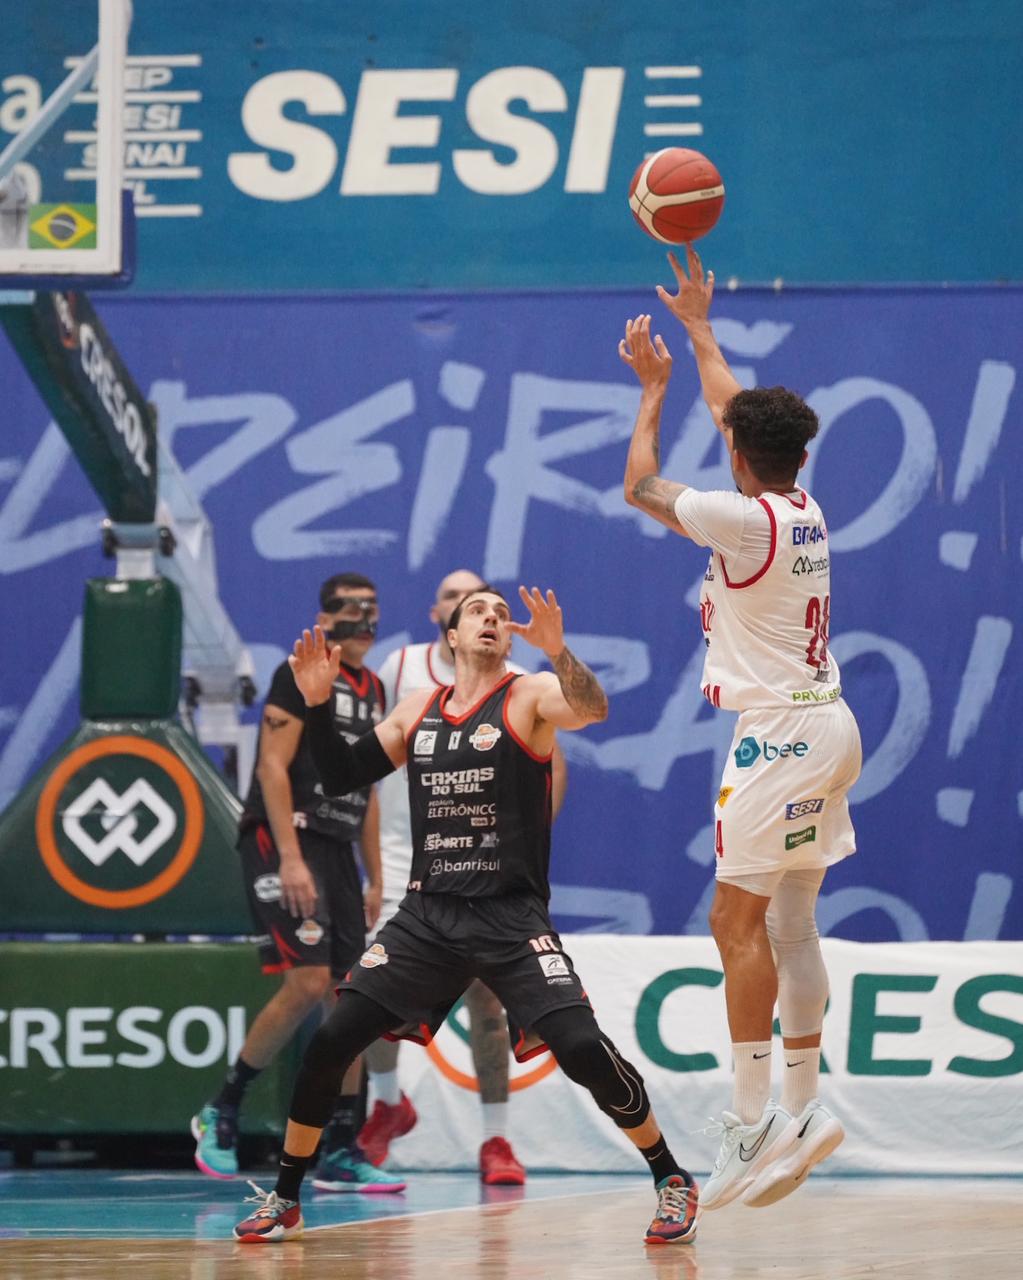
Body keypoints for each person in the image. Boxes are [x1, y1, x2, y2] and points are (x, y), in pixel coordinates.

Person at [233, 585, 698, 1246]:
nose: (491, 617)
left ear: (507, 638)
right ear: (450, 636)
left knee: (580, 1047)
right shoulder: (417, 708)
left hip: (511, 917)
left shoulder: (530, 693)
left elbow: (592, 708)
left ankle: (670, 1176)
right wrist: (315, 705)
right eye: (477, 610)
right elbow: (340, 775)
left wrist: (558, 651)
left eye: (499, 613)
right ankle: (285, 1197)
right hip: (428, 916)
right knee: (333, 1040)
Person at [619, 246, 862, 1211]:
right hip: (827, 723)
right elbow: (735, 414)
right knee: (793, 922)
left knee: (735, 922)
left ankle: (751, 1115)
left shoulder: (739, 519)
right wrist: (699, 329)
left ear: (735, 456)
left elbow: (640, 487)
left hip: (778, 736)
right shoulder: (800, 504)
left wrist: (652, 391)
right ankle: (803, 1108)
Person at [192, 572, 405, 1195]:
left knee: (351, 997)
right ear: (325, 617)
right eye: (350, 608)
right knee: (309, 981)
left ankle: (339, 1148)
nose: (364, 618)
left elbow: (367, 791)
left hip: (338, 848)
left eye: (372, 607)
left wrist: (374, 876)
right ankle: (221, 1110)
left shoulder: (374, 688)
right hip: (284, 837)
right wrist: (289, 858)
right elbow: (271, 766)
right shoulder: (302, 671)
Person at [361, 568, 567, 1184]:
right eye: (455, 599)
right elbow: (369, 770)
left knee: (488, 1001)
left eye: (481, 601)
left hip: (482, 863)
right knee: (368, 993)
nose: (476, 611)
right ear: (440, 618)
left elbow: (551, 766)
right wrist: (372, 872)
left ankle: (495, 1138)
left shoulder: (518, 683)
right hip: (403, 856)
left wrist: (520, 845)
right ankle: (386, 1102)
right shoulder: (400, 669)